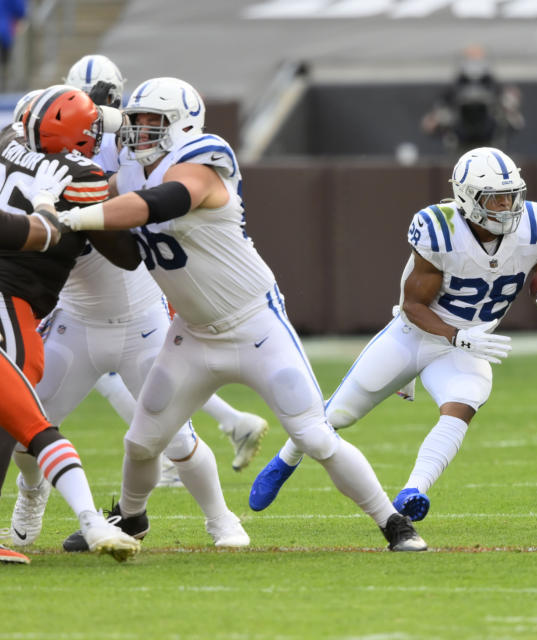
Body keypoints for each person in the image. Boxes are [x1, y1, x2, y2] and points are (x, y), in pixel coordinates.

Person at [56, 76, 427, 551]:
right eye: (136, 119)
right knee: (141, 441)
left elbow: (166, 200)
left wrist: (85, 213)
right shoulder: (128, 172)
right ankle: (130, 519)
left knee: (314, 437)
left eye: (154, 121)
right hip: (190, 333)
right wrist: (75, 204)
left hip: (254, 324)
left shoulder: (205, 158)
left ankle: (393, 522)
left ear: (183, 124)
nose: (140, 130)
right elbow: (129, 254)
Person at [248, 146, 537, 523]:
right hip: (415, 336)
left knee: (462, 406)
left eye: (512, 195)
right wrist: (457, 335)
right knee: (337, 415)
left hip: (468, 344)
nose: (508, 206)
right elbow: (413, 306)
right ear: (467, 198)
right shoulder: (439, 230)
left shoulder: (536, 224)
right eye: (496, 199)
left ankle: (414, 490)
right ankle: (286, 459)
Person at [6, 61, 253, 551]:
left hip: (139, 319)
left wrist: (83, 211)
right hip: (75, 320)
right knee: (25, 429)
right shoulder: (45, 150)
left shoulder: (119, 142)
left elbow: (126, 254)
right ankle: (30, 497)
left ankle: (223, 520)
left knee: (175, 437)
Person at [64, 54, 271, 481]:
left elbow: (143, 198)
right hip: (110, 251)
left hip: (128, 256)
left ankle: (185, 447)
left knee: (134, 363)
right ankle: (223, 425)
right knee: (137, 365)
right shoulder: (116, 131)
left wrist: (81, 214)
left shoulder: (165, 144)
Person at [0, 84, 144, 561]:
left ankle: (88, 520)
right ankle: (91, 521)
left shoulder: (5, 141)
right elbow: (121, 254)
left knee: (28, 421)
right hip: (13, 305)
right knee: (26, 422)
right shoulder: (80, 175)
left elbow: (42, 126)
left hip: (21, 303)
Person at [421, 46, 524, 153]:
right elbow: (431, 122)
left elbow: (516, 121)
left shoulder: (493, 86)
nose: (474, 63)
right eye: (471, 58)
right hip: (461, 142)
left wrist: (509, 108)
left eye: (477, 58)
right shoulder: (455, 88)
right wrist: (438, 119)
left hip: (490, 142)